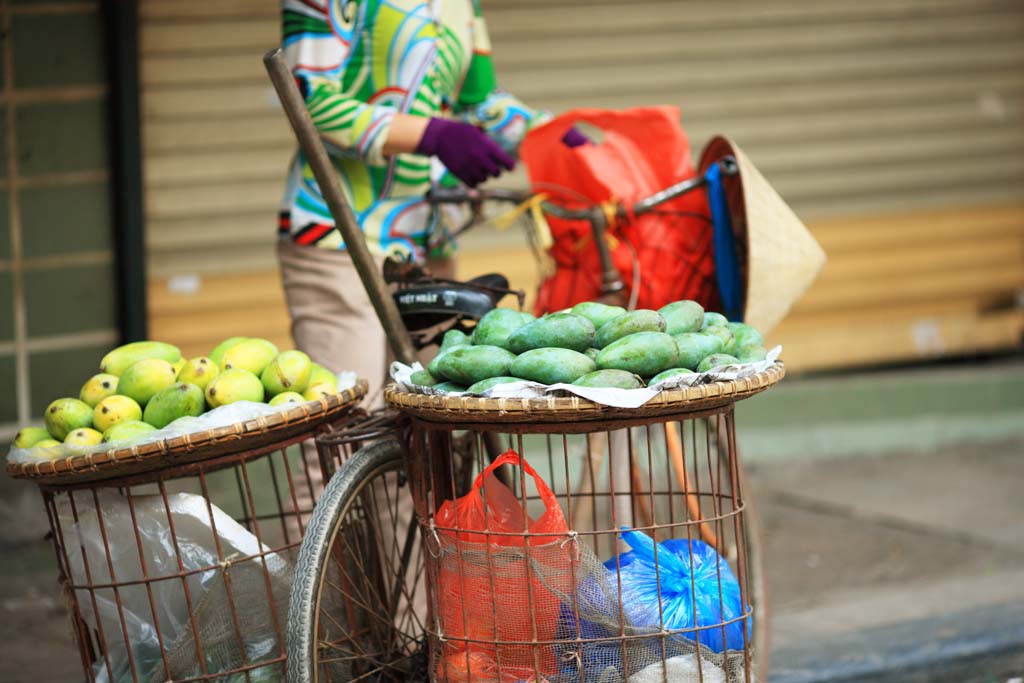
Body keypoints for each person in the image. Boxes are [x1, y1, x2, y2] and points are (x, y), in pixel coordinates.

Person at [277, 0, 558, 405]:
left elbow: (478, 101)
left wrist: (555, 134)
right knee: (354, 426)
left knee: (433, 423)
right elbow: (308, 96)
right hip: (340, 235)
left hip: (429, 240)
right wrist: (431, 135)